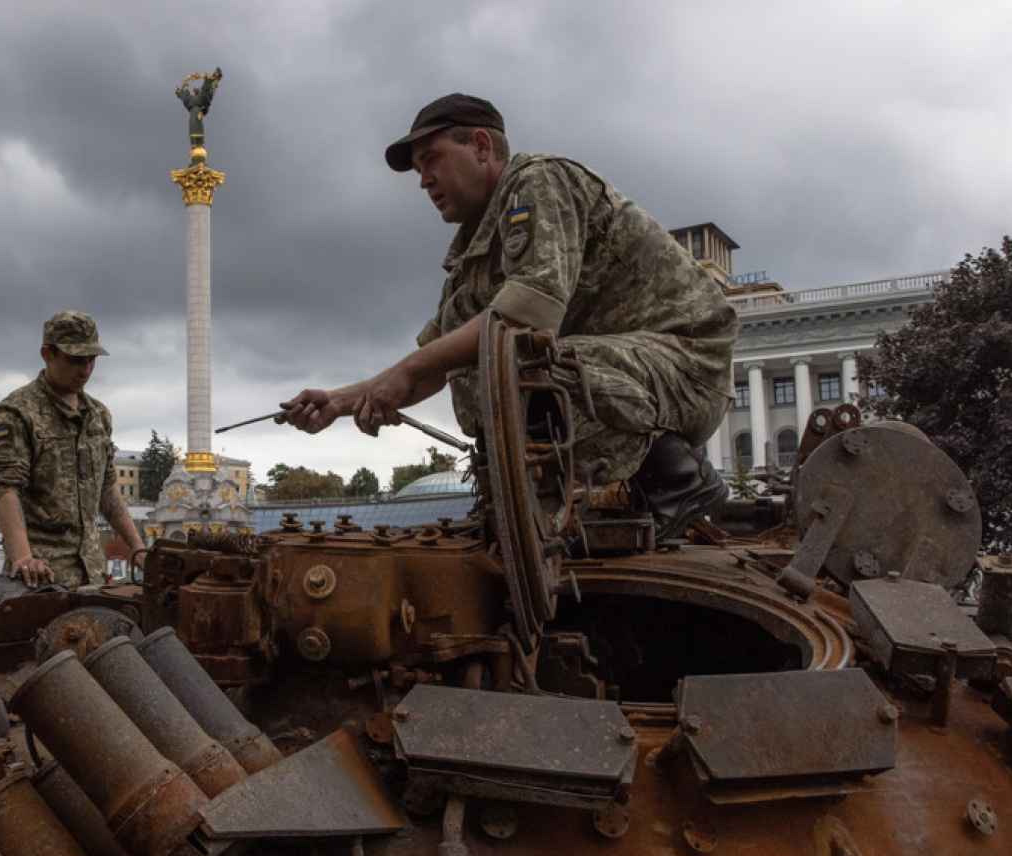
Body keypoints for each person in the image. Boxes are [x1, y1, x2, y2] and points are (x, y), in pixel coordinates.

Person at [281, 94, 735, 539]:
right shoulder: (472, 255)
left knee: (523, 356)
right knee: (478, 362)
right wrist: (339, 402)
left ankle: (678, 478)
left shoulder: (538, 181)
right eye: (419, 170)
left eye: (432, 160)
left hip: (688, 365)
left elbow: (528, 314)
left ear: (481, 146)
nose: (424, 181)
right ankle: (544, 506)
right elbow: (429, 367)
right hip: (630, 370)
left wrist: (406, 372)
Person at [0, 312, 146, 587]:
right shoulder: (15, 413)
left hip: (92, 574)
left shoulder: (98, 415)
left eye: (91, 360)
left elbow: (107, 491)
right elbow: (6, 490)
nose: (85, 370)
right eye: (75, 359)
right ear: (47, 353)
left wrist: (139, 549)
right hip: (40, 578)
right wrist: (24, 559)